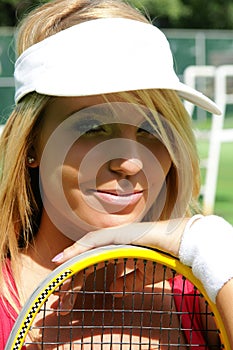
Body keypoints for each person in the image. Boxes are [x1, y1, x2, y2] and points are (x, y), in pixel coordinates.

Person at [0, 0, 233, 348]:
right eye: (93, 127)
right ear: (32, 144)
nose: (131, 163)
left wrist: (210, 246)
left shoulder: (207, 292)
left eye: (151, 129)